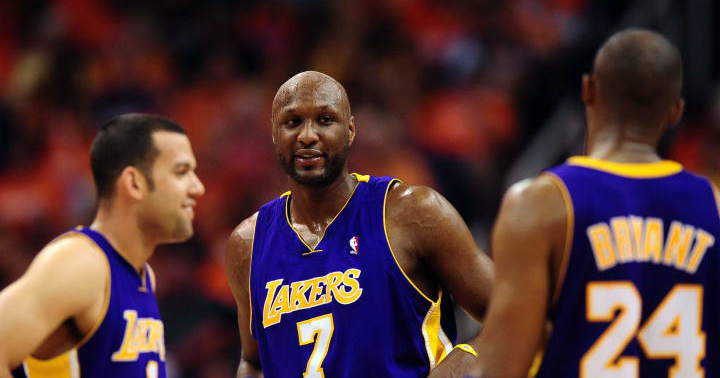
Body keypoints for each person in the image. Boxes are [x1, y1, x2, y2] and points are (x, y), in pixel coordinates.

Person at [429, 28, 720, 378]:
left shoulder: (541, 204)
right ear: (675, 111)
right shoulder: (713, 206)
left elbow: (500, 369)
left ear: (588, 90)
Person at [225, 71, 494, 377]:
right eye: (292, 122)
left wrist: (463, 364)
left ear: (350, 130)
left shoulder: (411, 213)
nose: (308, 135)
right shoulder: (248, 244)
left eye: (325, 119)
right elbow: (254, 362)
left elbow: (513, 313)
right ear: (275, 136)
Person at [0, 113, 205, 378]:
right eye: (181, 172)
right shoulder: (81, 263)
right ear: (134, 183)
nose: (198, 187)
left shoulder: (142, 276)